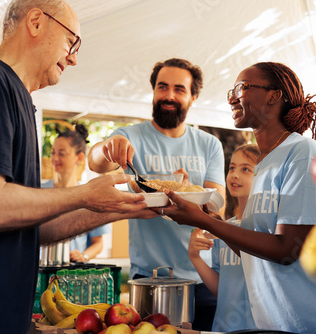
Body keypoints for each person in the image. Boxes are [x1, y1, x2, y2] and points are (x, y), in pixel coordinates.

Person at [157, 62, 316, 334]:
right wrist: (208, 219)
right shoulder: (264, 164)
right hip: (284, 326)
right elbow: (255, 254)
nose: (232, 97)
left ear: (273, 96)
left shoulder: (302, 151)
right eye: (231, 91)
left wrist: (205, 221)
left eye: (241, 88)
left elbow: (286, 250)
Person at [0, 2, 154, 333]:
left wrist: (126, 207)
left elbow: (31, 226)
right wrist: (85, 192)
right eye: (72, 42)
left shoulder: (22, 100)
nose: (74, 58)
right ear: (35, 21)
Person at [87, 58, 226, 330]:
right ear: (153, 92)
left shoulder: (210, 144)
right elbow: (95, 162)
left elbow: (216, 207)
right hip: (149, 279)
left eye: (179, 89)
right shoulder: (130, 135)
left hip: (204, 276)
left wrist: (184, 194)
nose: (169, 96)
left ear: (193, 96)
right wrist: (108, 147)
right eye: (162, 87)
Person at [188, 144, 259, 332]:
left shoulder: (265, 230)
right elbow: (222, 290)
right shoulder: (223, 227)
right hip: (222, 328)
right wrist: (195, 257)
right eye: (232, 168)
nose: (235, 175)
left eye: (246, 169)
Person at [42, 124, 111, 263]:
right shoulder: (39, 192)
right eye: (53, 152)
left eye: (61, 153)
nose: (55, 158)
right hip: (41, 271)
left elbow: (98, 243)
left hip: (73, 274)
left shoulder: (90, 196)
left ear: (79, 158)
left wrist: (84, 256)